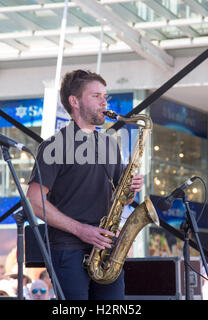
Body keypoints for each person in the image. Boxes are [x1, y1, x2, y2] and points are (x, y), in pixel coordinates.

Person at [26, 69, 144, 300]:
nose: (104, 102)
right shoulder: (54, 146)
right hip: (68, 249)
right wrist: (81, 230)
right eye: (96, 96)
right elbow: (34, 201)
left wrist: (130, 191)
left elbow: (122, 199)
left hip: (107, 250)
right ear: (74, 101)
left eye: (105, 96)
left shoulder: (111, 144)